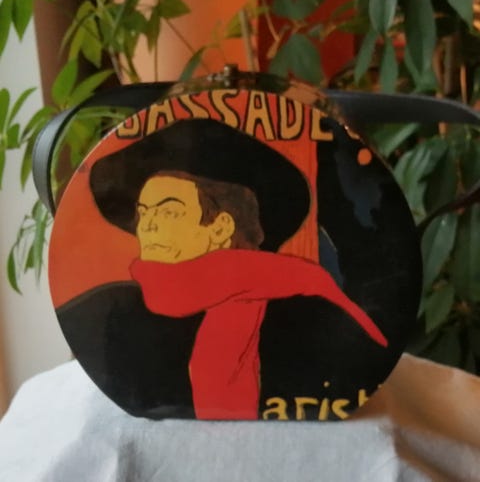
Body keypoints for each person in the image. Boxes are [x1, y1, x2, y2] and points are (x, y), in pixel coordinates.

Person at [57, 117, 388, 420]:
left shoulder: (311, 308)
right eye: (145, 213)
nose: (149, 227)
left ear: (220, 228)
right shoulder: (108, 312)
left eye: (169, 212)